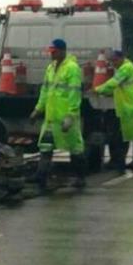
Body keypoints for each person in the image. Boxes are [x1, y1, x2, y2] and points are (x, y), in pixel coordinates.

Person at [28, 39, 86, 189]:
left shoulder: (72, 68)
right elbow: (45, 91)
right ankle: (41, 176)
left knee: (75, 147)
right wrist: (38, 109)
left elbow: (74, 93)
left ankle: (80, 177)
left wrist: (71, 115)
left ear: (62, 51)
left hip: (65, 117)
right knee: (45, 147)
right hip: (51, 117)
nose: (51, 55)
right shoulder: (50, 68)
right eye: (51, 52)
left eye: (54, 52)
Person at [93, 50, 133, 173]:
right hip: (132, 104)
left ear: (121, 58)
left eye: (114, 61)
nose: (112, 64)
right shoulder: (127, 67)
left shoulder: (126, 68)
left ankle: (124, 162)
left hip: (132, 105)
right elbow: (117, 88)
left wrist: (97, 90)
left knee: (127, 135)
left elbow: (113, 83)